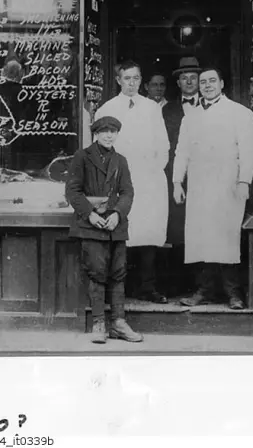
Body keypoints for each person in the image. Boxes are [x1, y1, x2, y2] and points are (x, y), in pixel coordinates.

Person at [172, 67, 253, 310]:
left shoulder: (239, 113)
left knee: (227, 236)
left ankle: (234, 293)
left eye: (212, 80)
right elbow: (182, 151)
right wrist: (177, 181)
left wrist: (244, 181)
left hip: (228, 184)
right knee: (202, 237)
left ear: (222, 83)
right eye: (203, 82)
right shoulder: (191, 116)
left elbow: (250, 149)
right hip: (199, 184)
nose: (207, 85)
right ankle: (204, 290)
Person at [95, 60, 170, 304]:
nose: (132, 83)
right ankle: (120, 289)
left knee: (148, 232)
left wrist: (154, 170)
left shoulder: (151, 107)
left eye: (136, 78)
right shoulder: (107, 107)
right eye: (127, 78)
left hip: (148, 179)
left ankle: (147, 287)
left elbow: (163, 144)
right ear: (119, 80)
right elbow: (100, 147)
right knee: (122, 232)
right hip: (119, 179)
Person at [65, 115, 143, 344]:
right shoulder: (82, 157)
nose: (109, 135)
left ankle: (119, 322)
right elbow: (72, 191)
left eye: (113, 131)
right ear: (96, 134)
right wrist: (89, 214)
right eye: (104, 131)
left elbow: (128, 192)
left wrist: (118, 213)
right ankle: (99, 323)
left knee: (118, 273)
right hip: (91, 225)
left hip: (115, 226)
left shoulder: (121, 160)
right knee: (97, 272)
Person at [162, 57, 202, 293]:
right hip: (176, 176)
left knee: (202, 227)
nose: (189, 82)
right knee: (177, 229)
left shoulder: (209, 106)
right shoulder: (168, 110)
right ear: (178, 83)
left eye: (193, 78)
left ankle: (202, 285)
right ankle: (179, 284)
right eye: (184, 78)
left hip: (205, 176)